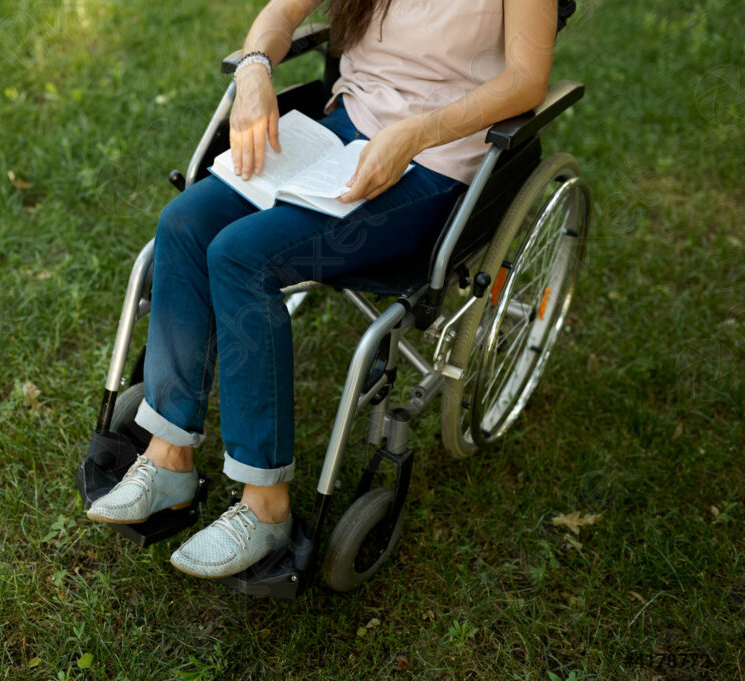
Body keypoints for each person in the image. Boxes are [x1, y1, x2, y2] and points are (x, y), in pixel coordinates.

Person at [86, 0, 558, 578]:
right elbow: (280, 13)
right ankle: (168, 459)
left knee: (241, 257)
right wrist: (254, 71)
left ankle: (265, 507)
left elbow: (526, 80)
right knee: (183, 224)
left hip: (435, 165)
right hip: (341, 133)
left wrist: (416, 133)